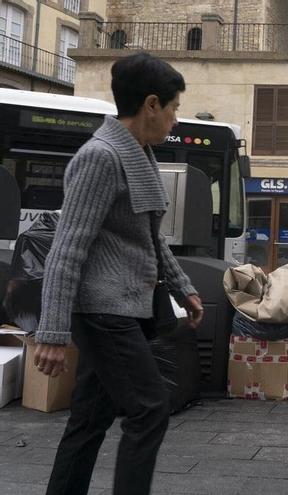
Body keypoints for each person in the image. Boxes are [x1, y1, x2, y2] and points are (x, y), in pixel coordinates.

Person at [32, 52, 204, 495]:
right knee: (150, 410)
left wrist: (183, 287)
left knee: (89, 420)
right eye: (174, 107)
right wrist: (51, 333)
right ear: (151, 104)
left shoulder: (139, 155)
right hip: (103, 310)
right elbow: (67, 249)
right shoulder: (101, 157)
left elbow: (148, 235)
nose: (175, 118)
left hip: (127, 306)